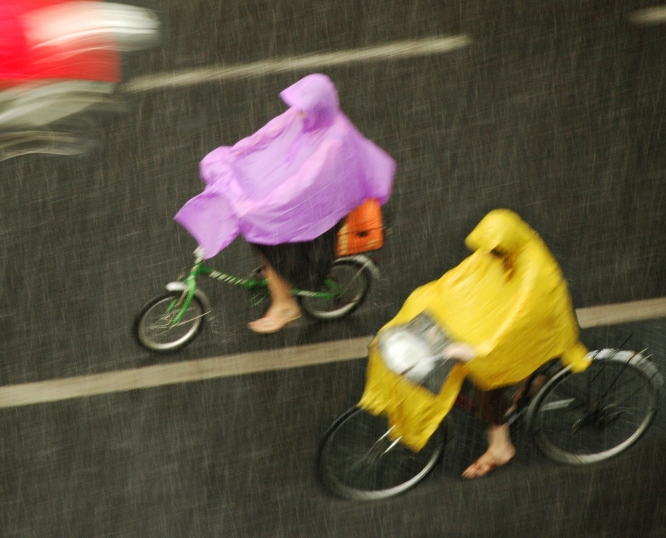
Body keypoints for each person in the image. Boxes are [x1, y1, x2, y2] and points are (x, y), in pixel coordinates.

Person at [360, 210, 590, 478]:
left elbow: (518, 322)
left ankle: (501, 447)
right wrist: (427, 304)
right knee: (472, 355)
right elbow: (463, 280)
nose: (488, 256)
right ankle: (531, 384)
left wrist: (477, 351)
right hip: (520, 323)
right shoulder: (504, 248)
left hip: (539, 329)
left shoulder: (534, 275)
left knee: (487, 381)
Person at [174, 73, 396, 333]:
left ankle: (286, 304)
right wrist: (232, 155)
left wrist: (263, 205)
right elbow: (265, 137)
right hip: (301, 199)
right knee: (261, 229)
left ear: (317, 107)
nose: (297, 113)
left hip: (318, 215)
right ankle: (277, 279)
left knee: (270, 240)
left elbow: (304, 184)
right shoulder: (305, 116)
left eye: (303, 108)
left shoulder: (335, 143)